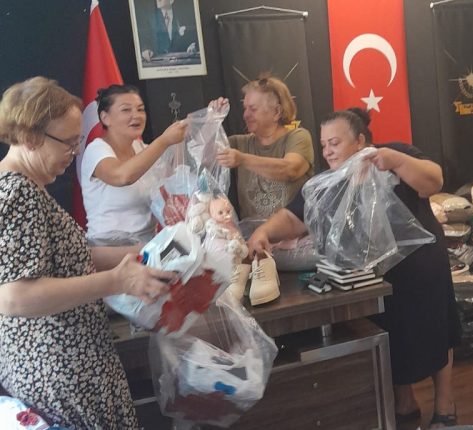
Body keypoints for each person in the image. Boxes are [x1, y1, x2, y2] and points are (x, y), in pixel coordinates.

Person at [247, 108, 461, 428]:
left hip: (420, 263)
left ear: (360, 140)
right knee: (392, 334)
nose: (328, 151)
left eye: (335, 143)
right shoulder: (329, 181)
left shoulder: (393, 153)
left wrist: (395, 161)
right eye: (324, 145)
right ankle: (404, 400)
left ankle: (445, 403)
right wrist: (264, 232)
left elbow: (433, 180)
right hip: (373, 273)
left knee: (435, 330)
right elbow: (293, 217)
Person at [0, 76, 177, 428]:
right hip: (59, 367)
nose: (74, 152)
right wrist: (116, 281)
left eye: (77, 141)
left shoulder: (29, 187)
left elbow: (72, 257)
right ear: (31, 136)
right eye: (68, 143)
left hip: (67, 363)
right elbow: (15, 296)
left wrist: (148, 250)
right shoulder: (18, 193)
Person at [80, 84, 187, 244]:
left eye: (140, 109)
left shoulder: (142, 149)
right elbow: (122, 176)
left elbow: (178, 180)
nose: (136, 115)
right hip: (109, 247)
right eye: (126, 110)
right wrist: (164, 140)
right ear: (105, 118)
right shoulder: (96, 150)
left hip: (149, 245)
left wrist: (210, 119)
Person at [211, 76, 314, 220]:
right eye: (245, 108)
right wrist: (211, 120)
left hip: (293, 233)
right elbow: (202, 157)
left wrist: (242, 159)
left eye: (253, 109)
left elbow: (291, 169)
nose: (245, 115)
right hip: (251, 233)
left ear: (277, 112)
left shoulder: (298, 136)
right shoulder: (238, 143)